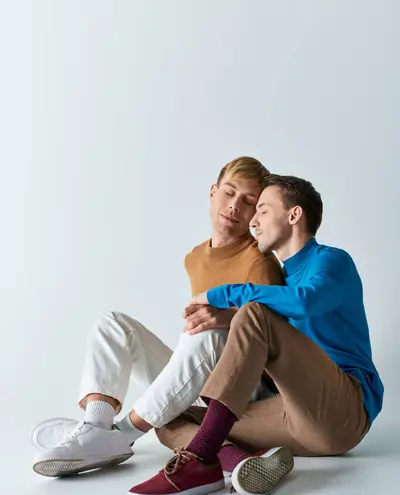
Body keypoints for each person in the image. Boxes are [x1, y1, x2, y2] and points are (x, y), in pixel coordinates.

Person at [126, 174, 384, 495]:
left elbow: (305, 301)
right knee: (171, 418)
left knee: (254, 312)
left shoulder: (332, 261)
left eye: (262, 209)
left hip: (345, 408)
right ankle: (235, 462)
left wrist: (224, 294)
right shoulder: (282, 278)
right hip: (297, 419)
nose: (253, 221)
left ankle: (200, 460)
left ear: (293, 215)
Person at [32, 157, 284, 477]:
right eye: (229, 193)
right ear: (213, 192)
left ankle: (122, 435)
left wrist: (230, 319)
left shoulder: (258, 262)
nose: (235, 206)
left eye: (249, 201)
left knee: (207, 331)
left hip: (245, 392)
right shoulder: (195, 258)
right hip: (202, 377)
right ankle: (95, 426)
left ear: (256, 213)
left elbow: (278, 337)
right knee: (113, 323)